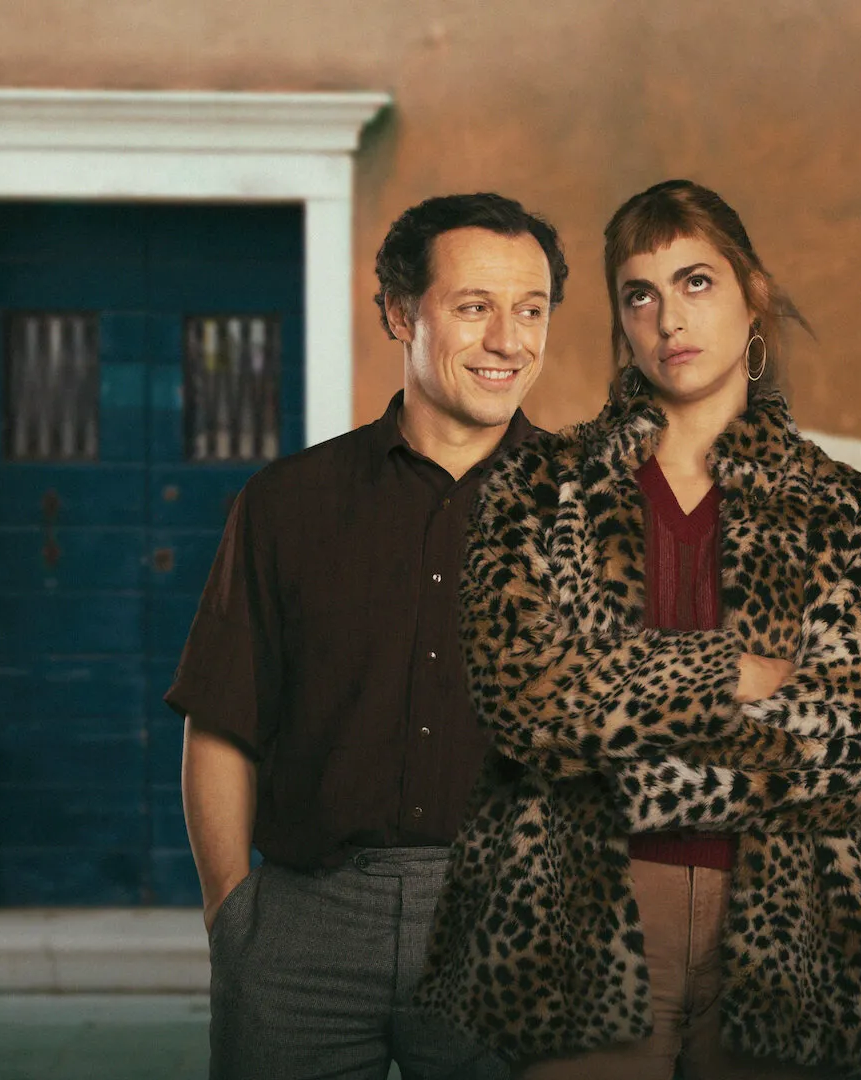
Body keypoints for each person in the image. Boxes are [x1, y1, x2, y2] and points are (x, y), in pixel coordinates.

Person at [416, 179, 861, 1078]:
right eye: (640, 294)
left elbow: (856, 733)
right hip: (577, 924)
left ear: (751, 297)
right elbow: (524, 700)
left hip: (789, 927)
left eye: (696, 282)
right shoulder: (540, 489)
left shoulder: (842, 507)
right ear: (622, 320)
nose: (669, 319)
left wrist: (627, 764)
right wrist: (726, 673)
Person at [167, 191, 568, 1080]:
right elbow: (222, 719)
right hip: (306, 929)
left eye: (531, 310)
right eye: (475, 306)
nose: (508, 340)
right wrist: (235, 918)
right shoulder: (287, 503)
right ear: (398, 312)